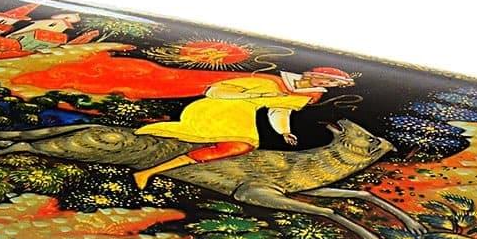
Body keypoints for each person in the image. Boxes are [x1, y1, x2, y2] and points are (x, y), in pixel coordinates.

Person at [131, 67, 355, 189]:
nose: (329, 86)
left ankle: (148, 172)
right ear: (314, 74)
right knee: (235, 144)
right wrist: (259, 94)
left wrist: (284, 131)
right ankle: (147, 164)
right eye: (329, 81)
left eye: (335, 85)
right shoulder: (270, 81)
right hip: (216, 108)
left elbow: (279, 110)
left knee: (239, 147)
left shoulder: (308, 95)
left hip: (242, 115)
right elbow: (214, 91)